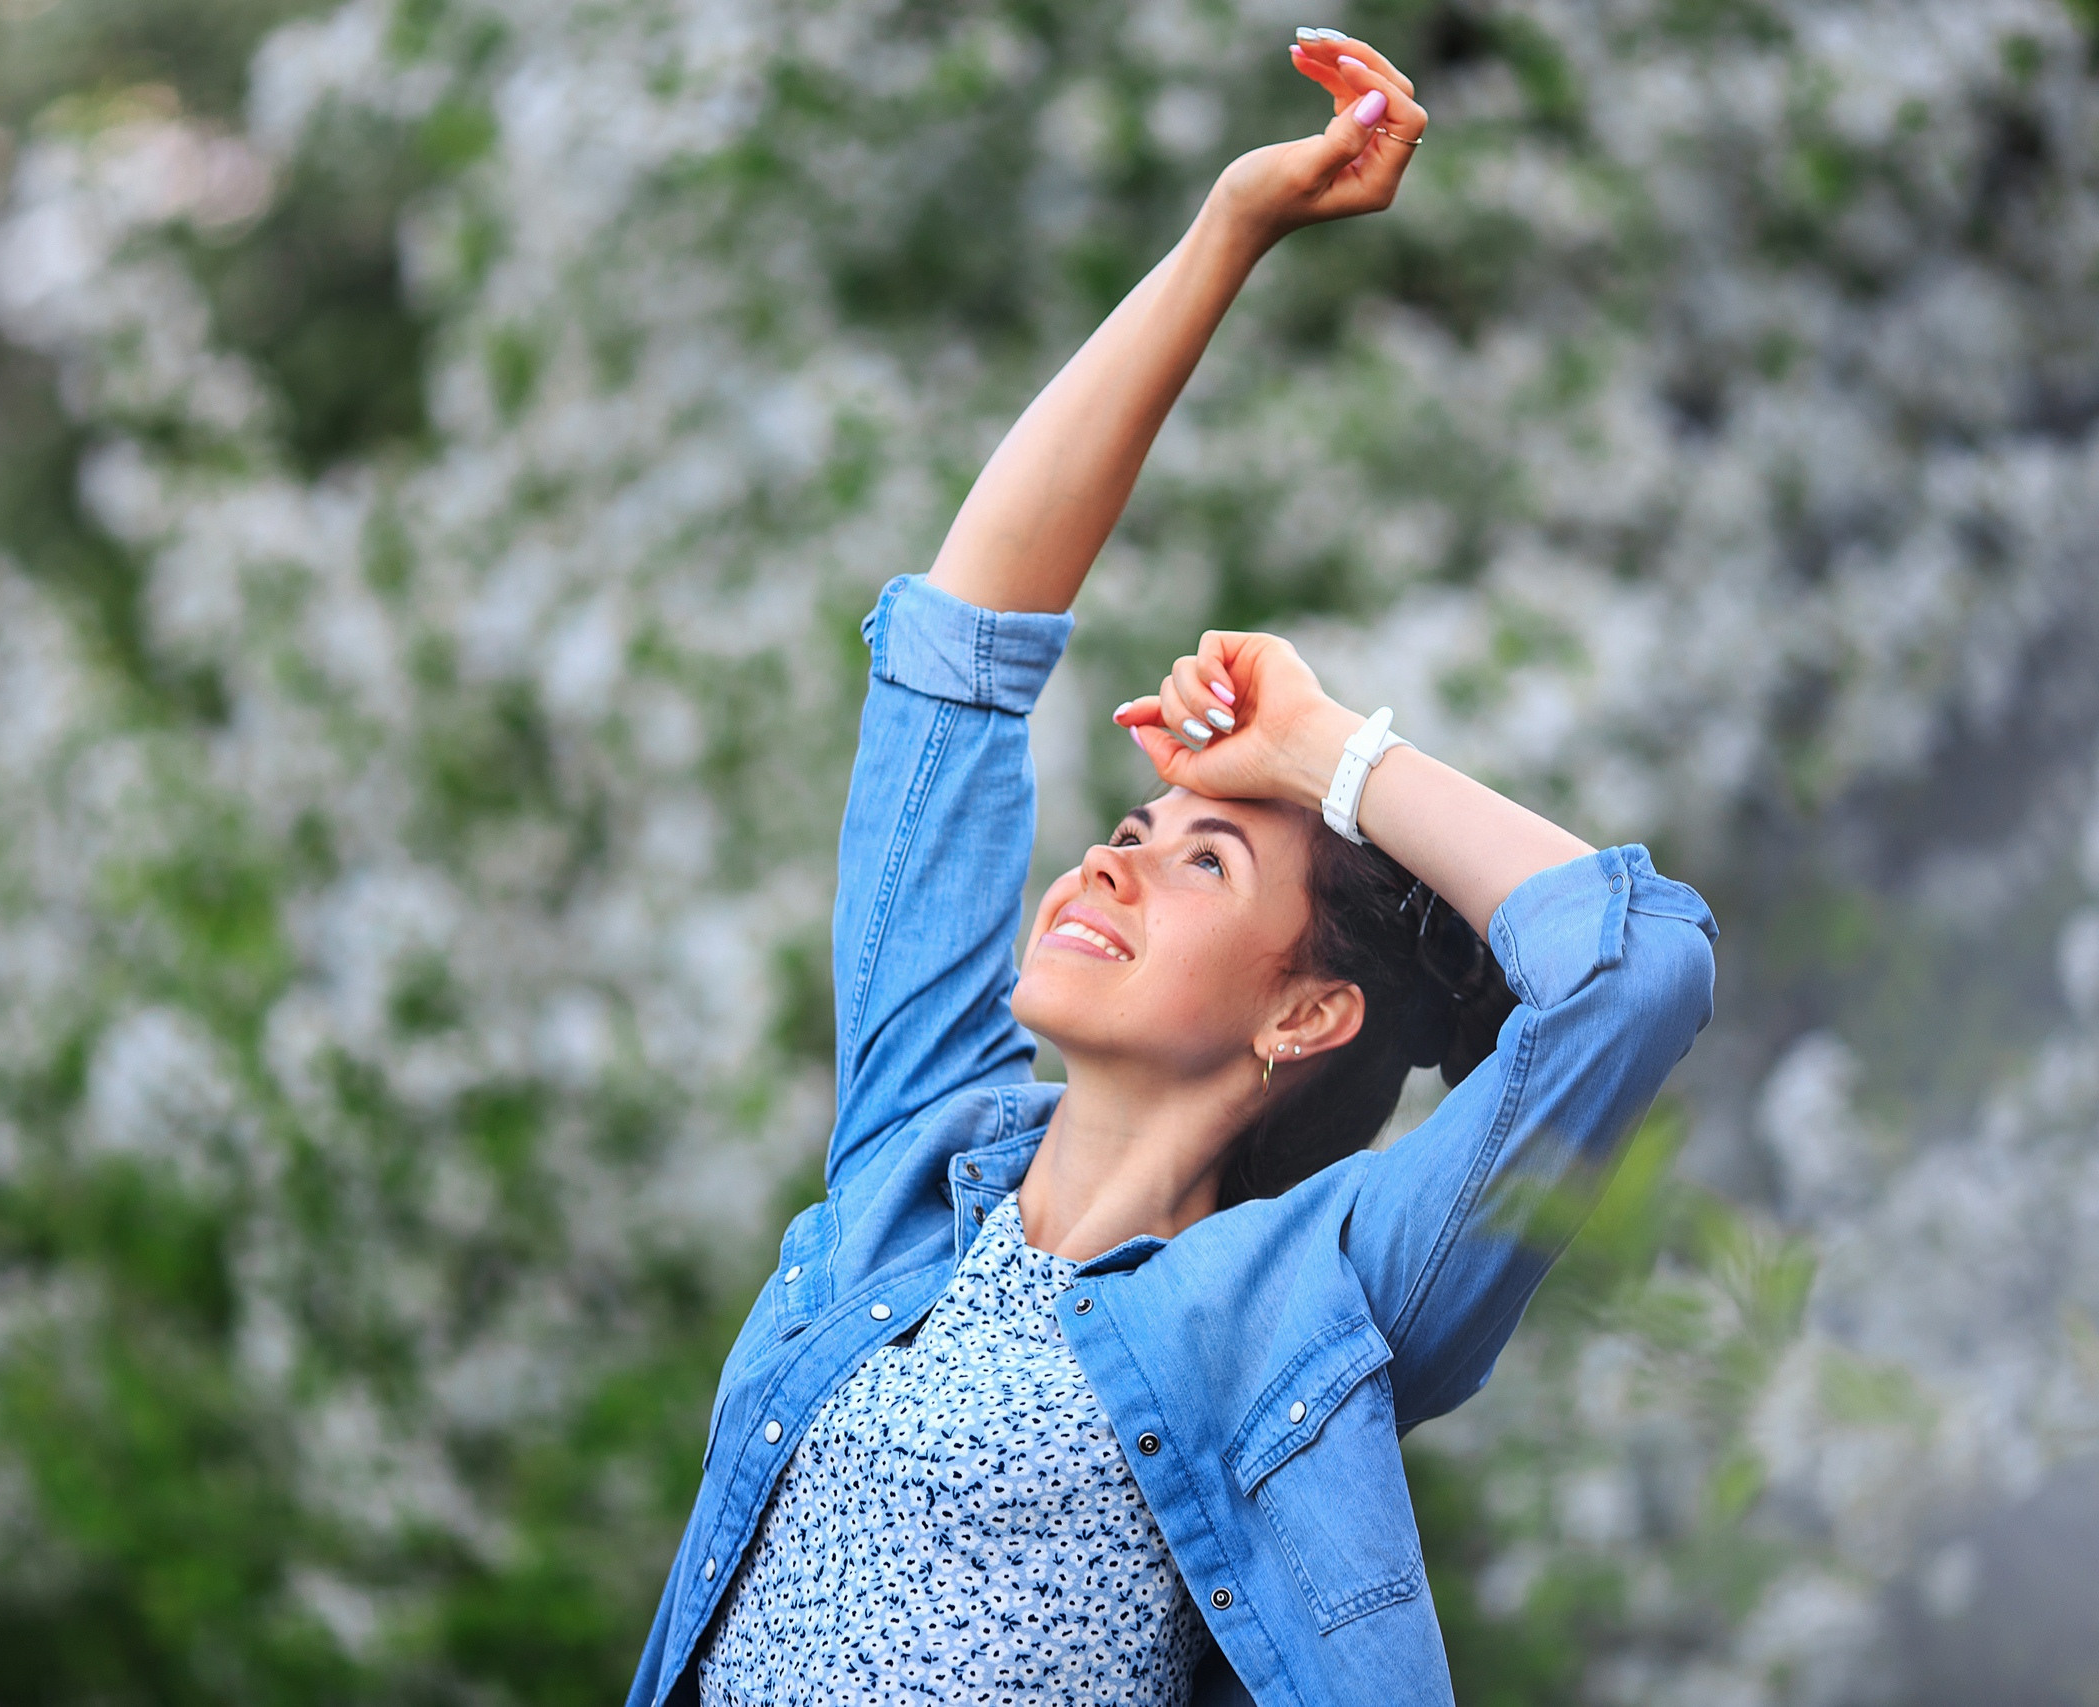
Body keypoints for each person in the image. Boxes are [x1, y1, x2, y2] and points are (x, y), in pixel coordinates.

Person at [627, 30, 1718, 1707]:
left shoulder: (1323, 1293)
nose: (1110, 864)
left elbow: (1632, 974)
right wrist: (1230, 228)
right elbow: (955, 660)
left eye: (1203, 860)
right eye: (1131, 831)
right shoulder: (918, 1161)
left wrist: (1325, 752)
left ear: (1308, 1015)